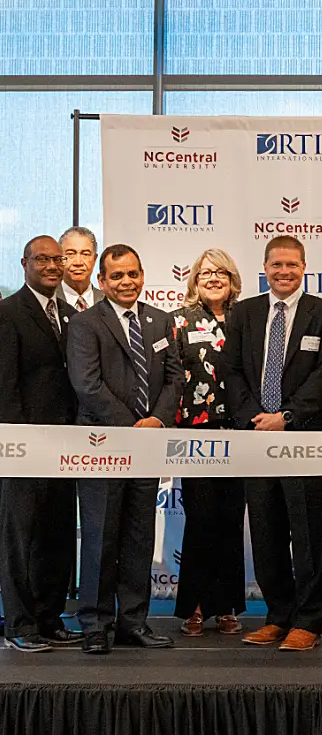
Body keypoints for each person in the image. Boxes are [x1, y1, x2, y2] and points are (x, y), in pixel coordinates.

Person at [223, 237, 322, 652]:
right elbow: (232, 370)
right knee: (265, 528)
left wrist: (286, 417)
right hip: (255, 437)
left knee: (308, 530)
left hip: (304, 437)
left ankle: (308, 621)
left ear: (304, 266)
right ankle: (277, 616)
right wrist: (254, 418)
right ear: (265, 267)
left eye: (292, 265)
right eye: (277, 265)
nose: (284, 272)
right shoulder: (244, 312)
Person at [67, 244, 184, 655]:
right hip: (103, 445)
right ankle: (95, 624)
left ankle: (133, 622)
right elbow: (86, 385)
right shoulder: (84, 323)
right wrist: (132, 425)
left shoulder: (159, 320)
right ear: (102, 281)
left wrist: (156, 420)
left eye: (133, 274)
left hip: (147, 445)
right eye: (116, 276)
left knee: (138, 535)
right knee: (100, 535)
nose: (126, 282)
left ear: (142, 275)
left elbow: (175, 379)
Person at [0, 236, 83, 652]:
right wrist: (17, 442)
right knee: (19, 538)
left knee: (57, 535)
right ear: (24, 263)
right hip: (23, 446)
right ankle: (18, 624)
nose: (52, 266)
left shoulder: (70, 315)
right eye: (43, 259)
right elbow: (5, 385)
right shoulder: (8, 313)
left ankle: (50, 618)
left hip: (66, 446)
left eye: (58, 259)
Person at [171, 249, 246, 638]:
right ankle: (196, 605)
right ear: (194, 280)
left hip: (241, 432)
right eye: (205, 273)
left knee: (231, 521)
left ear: (233, 279)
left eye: (221, 272)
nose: (213, 278)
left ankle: (228, 606)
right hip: (195, 432)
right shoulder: (179, 321)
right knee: (201, 520)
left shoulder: (248, 318)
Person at [57, 226, 104, 311]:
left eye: (85, 254)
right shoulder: (48, 300)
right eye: (71, 254)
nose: (78, 262)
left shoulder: (109, 301)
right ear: (60, 259)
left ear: (94, 259)